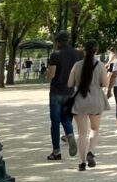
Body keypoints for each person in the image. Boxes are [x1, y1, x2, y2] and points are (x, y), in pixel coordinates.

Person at [69, 40, 108, 170]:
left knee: (81, 133)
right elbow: (105, 83)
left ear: (84, 50)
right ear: (96, 50)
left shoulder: (77, 65)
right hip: (96, 100)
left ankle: (81, 162)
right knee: (95, 128)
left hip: (80, 101)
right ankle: (91, 152)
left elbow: (70, 84)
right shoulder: (101, 65)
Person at [45, 30, 83, 161]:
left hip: (56, 90)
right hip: (70, 91)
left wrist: (47, 74)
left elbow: (52, 74)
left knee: (55, 122)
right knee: (66, 117)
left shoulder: (55, 55)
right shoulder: (77, 54)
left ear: (58, 42)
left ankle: (56, 152)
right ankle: (70, 134)